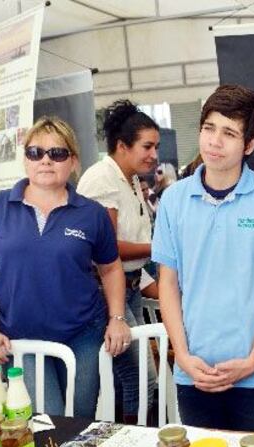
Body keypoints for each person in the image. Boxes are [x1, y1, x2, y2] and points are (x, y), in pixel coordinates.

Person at [153, 85, 254, 434]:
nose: (215, 142)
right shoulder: (174, 200)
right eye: (209, 128)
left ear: (249, 145)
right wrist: (184, 357)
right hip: (195, 373)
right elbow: (168, 284)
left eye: (229, 133)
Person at [0, 116, 130, 417]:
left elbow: (111, 268)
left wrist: (117, 317)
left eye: (57, 153)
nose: (45, 161)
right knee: (47, 420)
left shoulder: (91, 214)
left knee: (79, 419)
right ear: (25, 159)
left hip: (83, 334)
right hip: (21, 336)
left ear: (73, 161)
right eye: (35, 152)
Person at [77, 100, 158, 423]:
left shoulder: (132, 178)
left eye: (156, 146)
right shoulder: (103, 179)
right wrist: (158, 247)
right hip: (109, 292)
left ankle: (121, 442)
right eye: (147, 146)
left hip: (133, 287)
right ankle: (138, 445)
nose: (153, 154)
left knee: (126, 377)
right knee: (142, 378)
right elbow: (106, 249)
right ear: (122, 146)